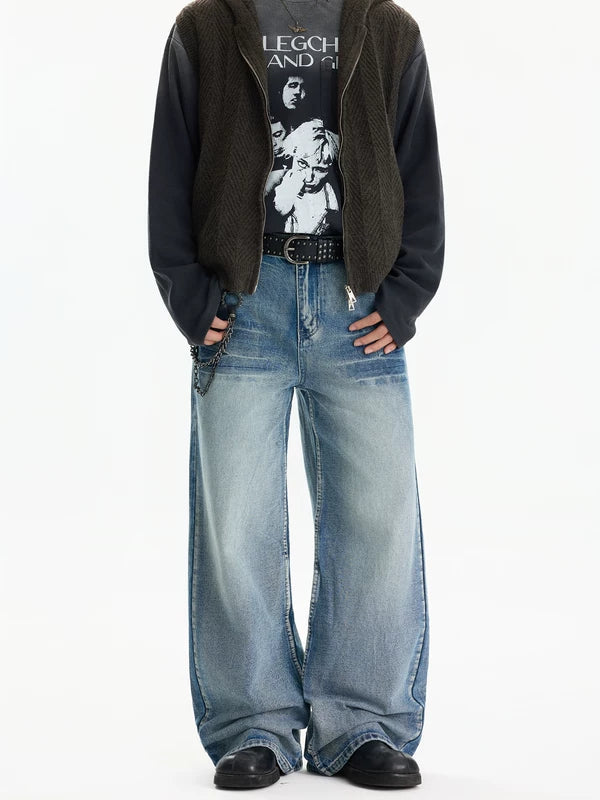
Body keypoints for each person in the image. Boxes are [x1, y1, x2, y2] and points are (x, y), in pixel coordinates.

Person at [147, 0, 444, 790]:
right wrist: (190, 296)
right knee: (238, 522)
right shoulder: (205, 26)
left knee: (377, 518)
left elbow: (418, 166)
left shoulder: (389, 29)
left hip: (359, 305)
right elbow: (171, 167)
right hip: (245, 301)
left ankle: (362, 724)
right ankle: (255, 726)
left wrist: (406, 294)